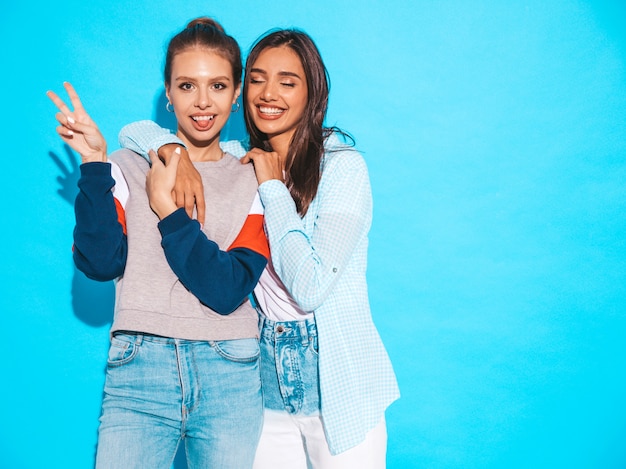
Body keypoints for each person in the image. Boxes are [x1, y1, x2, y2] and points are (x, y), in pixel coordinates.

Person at [119, 28, 400, 468]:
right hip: (260, 377)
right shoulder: (237, 159)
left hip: (337, 380)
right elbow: (132, 131)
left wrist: (272, 186)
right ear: (241, 89)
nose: (269, 94)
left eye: (287, 82)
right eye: (257, 79)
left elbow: (308, 286)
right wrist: (171, 148)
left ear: (313, 93)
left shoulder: (343, 169)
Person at [46, 17, 269, 469]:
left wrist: (168, 210)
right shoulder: (126, 164)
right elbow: (101, 262)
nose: (202, 102)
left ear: (237, 92)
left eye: (218, 86)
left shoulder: (255, 178)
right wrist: (93, 163)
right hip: (138, 370)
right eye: (187, 86)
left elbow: (227, 290)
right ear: (167, 93)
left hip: (230, 372)